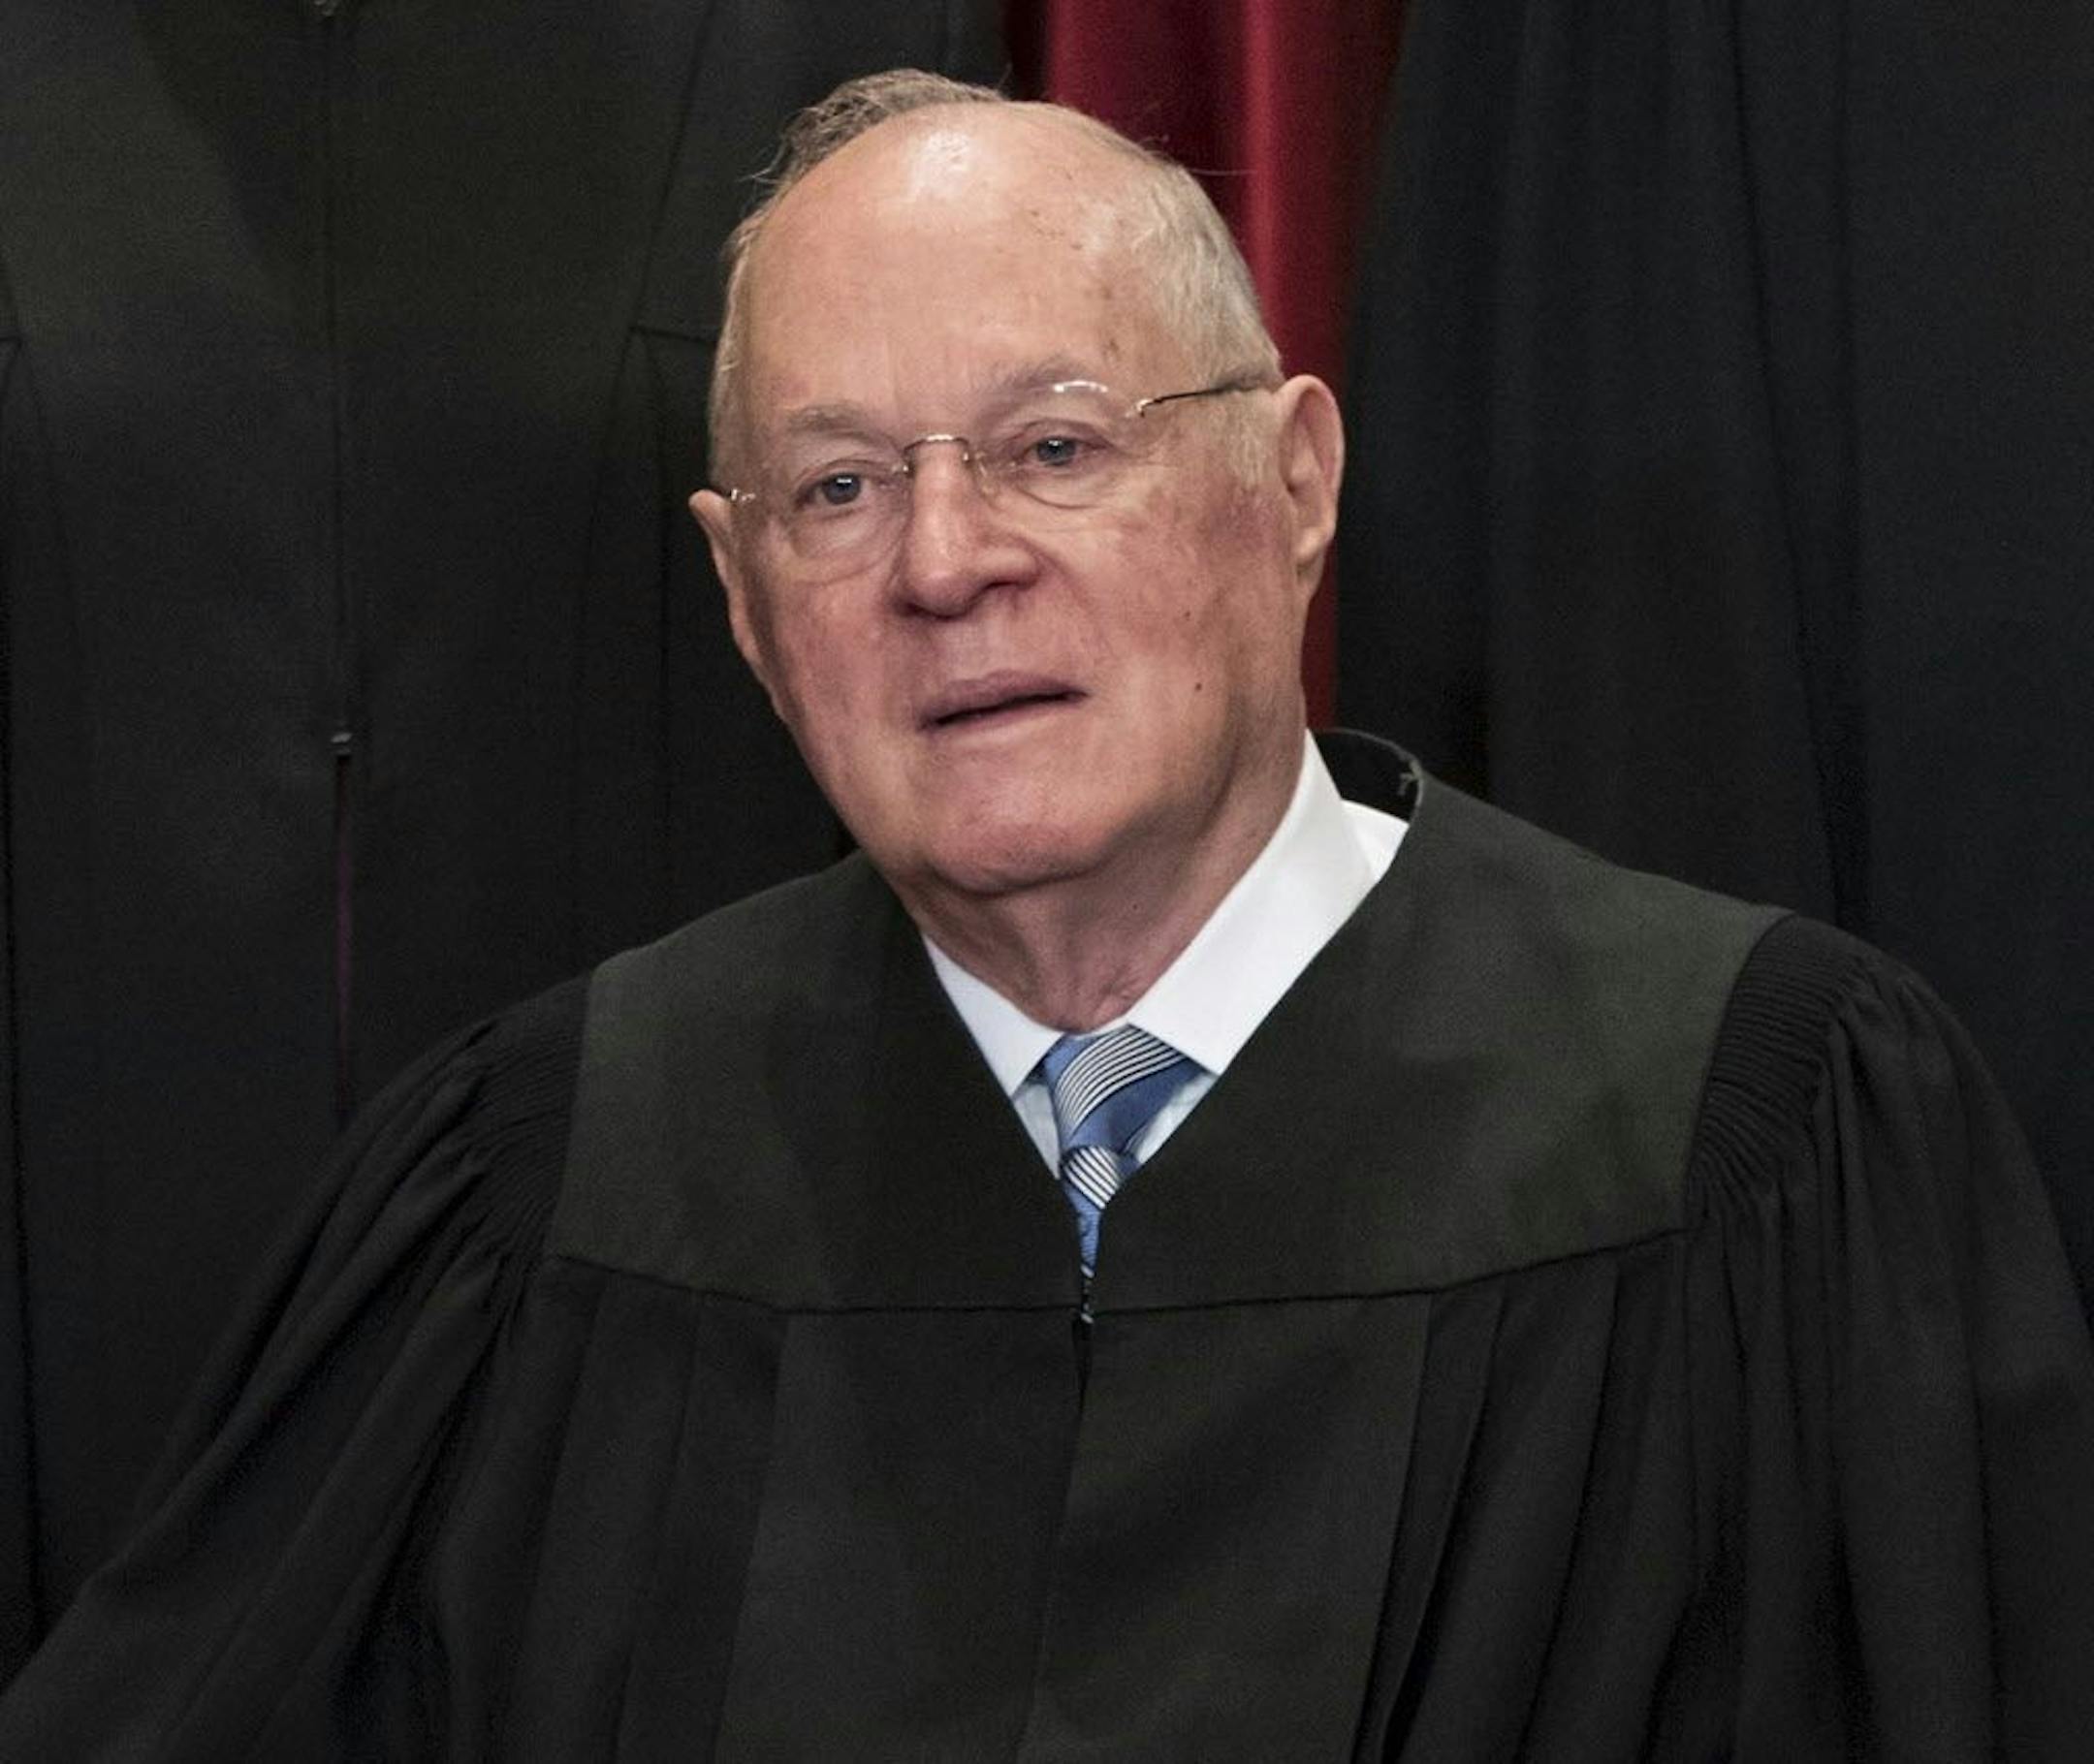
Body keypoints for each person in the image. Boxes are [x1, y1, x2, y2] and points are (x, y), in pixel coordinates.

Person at [3, 69, 2090, 1762]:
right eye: (837, 487)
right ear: (741, 599)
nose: (945, 561)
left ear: (1294, 483)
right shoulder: (541, 1194)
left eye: (1055, 445)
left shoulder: (1760, 1145)